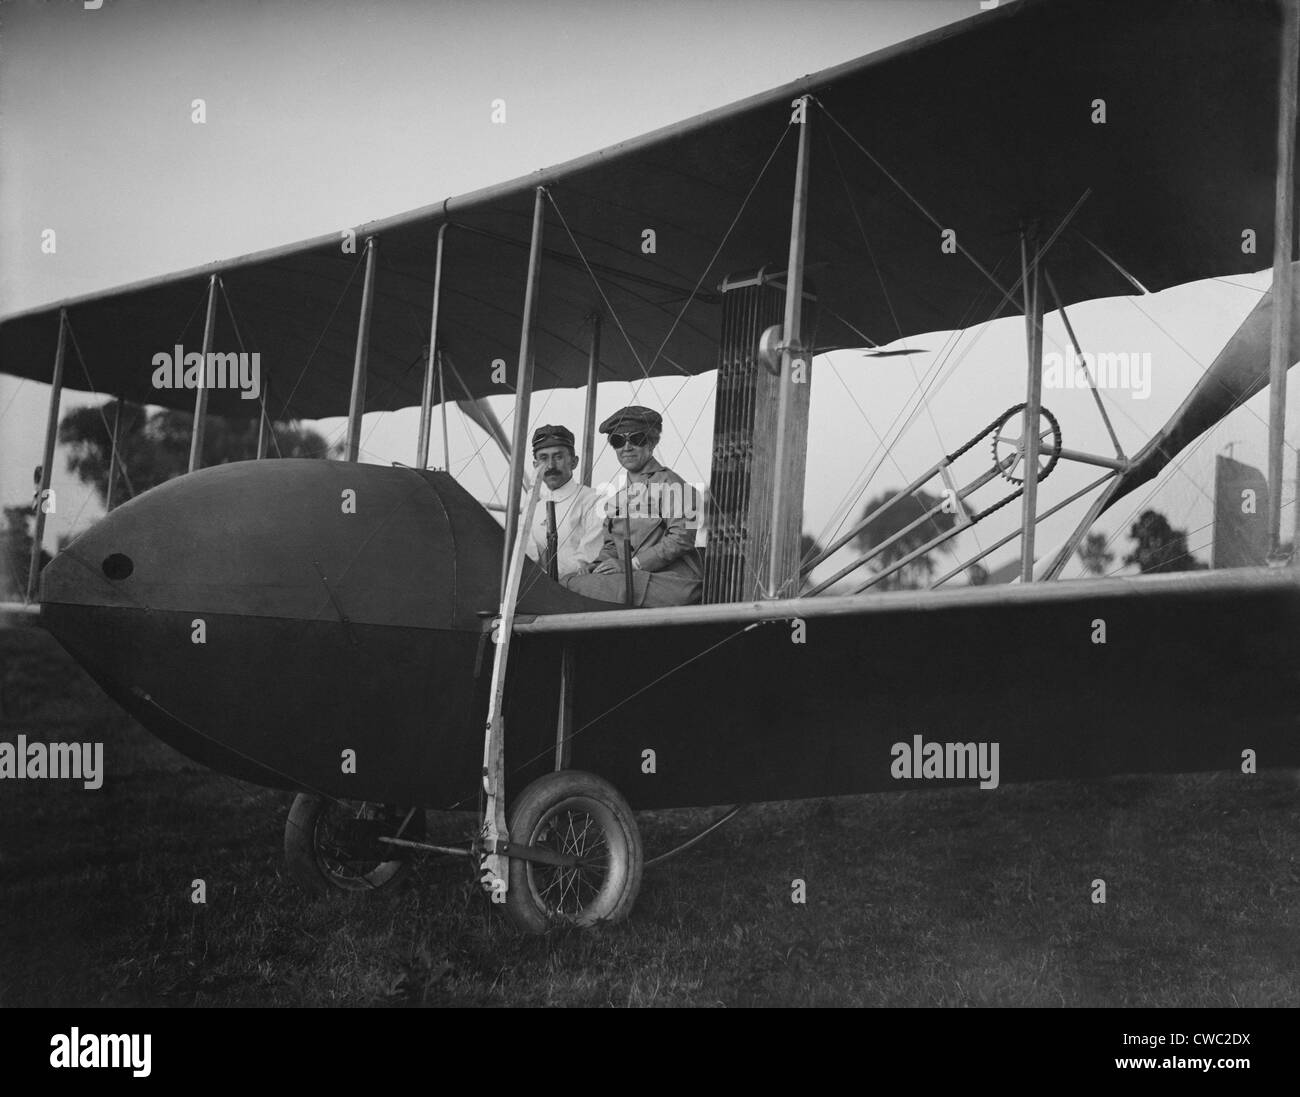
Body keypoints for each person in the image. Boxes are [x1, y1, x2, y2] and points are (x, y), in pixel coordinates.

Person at [562, 406, 703, 606]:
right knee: (569, 582)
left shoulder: (677, 486)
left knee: (573, 588)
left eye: (636, 439)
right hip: (634, 579)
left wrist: (632, 565)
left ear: (652, 443)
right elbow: (611, 546)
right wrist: (596, 566)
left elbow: (682, 539)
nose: (627, 447)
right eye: (618, 441)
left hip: (672, 582)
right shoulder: (617, 498)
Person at [524, 424, 606, 580]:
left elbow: (587, 560)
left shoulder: (594, 501)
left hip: (581, 589)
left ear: (573, 462)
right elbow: (530, 560)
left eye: (558, 457)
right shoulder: (534, 510)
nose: (550, 466)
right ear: (535, 466)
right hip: (543, 592)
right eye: (543, 458)